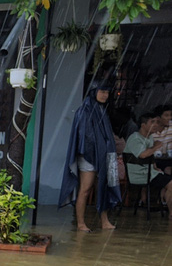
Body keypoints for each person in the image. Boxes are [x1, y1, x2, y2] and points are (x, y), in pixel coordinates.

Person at [59, 83, 122, 232]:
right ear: (94, 91)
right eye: (102, 91)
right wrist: (95, 154)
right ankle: (81, 223)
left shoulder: (102, 110)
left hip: (102, 155)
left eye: (107, 92)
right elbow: (85, 138)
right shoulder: (85, 111)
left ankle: (104, 221)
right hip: (89, 155)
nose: (105, 95)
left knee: (103, 187)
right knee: (85, 189)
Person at [125, 111, 172, 217]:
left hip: (149, 172)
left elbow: (149, 157)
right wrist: (156, 146)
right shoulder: (135, 138)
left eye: (156, 122)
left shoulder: (149, 138)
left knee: (168, 179)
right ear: (143, 125)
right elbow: (142, 155)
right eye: (152, 122)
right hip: (140, 174)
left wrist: (155, 166)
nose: (156, 125)